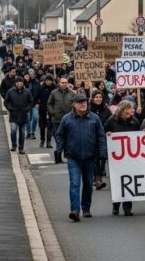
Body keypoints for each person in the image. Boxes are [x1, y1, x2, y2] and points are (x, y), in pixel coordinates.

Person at [55, 94, 107, 222]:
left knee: (88, 184)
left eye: (84, 102)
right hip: (73, 157)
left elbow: (101, 137)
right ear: (74, 104)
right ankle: (75, 210)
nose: (83, 104)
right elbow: (60, 135)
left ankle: (86, 207)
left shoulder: (94, 118)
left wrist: (102, 153)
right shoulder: (67, 119)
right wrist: (59, 150)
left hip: (90, 157)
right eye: (80, 102)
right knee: (75, 183)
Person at [104, 101, 141, 216]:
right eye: (128, 111)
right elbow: (104, 132)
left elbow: (138, 137)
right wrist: (108, 134)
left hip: (130, 157)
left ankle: (127, 207)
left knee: (128, 181)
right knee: (117, 181)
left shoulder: (134, 121)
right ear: (122, 110)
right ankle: (116, 205)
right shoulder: (111, 120)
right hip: (116, 157)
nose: (131, 113)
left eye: (131, 111)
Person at [4, 77, 34, 154]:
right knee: (13, 130)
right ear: (15, 83)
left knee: (22, 133)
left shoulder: (27, 91)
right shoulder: (10, 91)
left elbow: (31, 102)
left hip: (24, 116)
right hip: (14, 115)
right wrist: (10, 108)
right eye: (18, 82)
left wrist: (27, 109)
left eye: (21, 82)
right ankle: (14, 145)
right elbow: (6, 102)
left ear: (23, 83)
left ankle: (21, 147)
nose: (19, 83)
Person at [89, 90, 112, 191]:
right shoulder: (88, 109)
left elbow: (111, 122)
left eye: (100, 97)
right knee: (94, 158)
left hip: (103, 137)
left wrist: (109, 130)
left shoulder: (106, 110)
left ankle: (99, 177)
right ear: (93, 98)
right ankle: (97, 179)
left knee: (103, 157)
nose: (98, 99)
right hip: (91, 137)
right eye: (96, 97)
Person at [47, 77, 75, 149]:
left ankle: (66, 152)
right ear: (59, 83)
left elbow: (75, 104)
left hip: (69, 119)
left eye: (66, 82)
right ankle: (59, 152)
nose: (64, 84)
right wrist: (53, 112)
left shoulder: (72, 93)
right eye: (62, 83)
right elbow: (49, 103)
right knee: (58, 136)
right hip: (57, 119)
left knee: (68, 136)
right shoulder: (54, 93)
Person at [37, 75, 57, 148]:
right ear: (45, 81)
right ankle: (42, 140)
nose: (49, 82)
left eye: (50, 80)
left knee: (50, 127)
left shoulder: (55, 88)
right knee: (42, 126)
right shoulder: (41, 88)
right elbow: (37, 97)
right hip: (42, 109)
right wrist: (36, 103)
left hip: (51, 109)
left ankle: (48, 142)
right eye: (48, 80)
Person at [24, 71, 41, 140]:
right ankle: (28, 132)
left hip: (35, 103)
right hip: (27, 104)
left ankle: (32, 132)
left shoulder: (37, 83)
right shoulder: (26, 82)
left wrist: (38, 102)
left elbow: (40, 93)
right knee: (27, 119)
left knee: (35, 117)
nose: (32, 75)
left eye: (33, 74)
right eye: (30, 74)